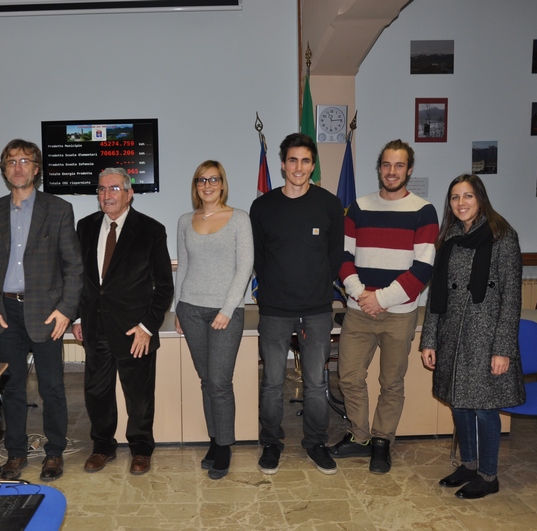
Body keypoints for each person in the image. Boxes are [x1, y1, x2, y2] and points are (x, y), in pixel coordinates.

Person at [0, 139, 83, 482]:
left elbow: (74, 267)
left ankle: (54, 453)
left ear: (37, 168)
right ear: (4, 170)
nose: (18, 167)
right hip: (5, 314)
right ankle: (16, 453)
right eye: (11, 162)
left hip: (47, 314)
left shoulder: (59, 208)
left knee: (52, 387)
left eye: (25, 161)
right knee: (12, 388)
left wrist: (66, 310)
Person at [333, 139, 439, 474]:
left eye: (399, 165)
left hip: (399, 315)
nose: (391, 172)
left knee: (391, 382)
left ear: (409, 169)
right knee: (348, 376)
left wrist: (380, 298)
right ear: (379, 168)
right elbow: (344, 257)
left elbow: (423, 268)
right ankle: (360, 435)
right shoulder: (359, 208)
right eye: (386, 165)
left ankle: (382, 440)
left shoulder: (424, 211)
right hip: (358, 310)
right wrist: (361, 293)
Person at [421, 174, 524, 499]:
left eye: (467, 196)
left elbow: (511, 297)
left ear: (480, 198)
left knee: (483, 408)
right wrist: (429, 340)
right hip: (452, 334)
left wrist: (503, 349)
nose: (461, 203)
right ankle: (468, 465)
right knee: (460, 405)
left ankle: (488, 475)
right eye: (455, 197)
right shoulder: (449, 237)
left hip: (486, 336)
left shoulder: (502, 236)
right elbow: (437, 293)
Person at [249, 133, 345, 475]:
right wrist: (271, 289)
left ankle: (315, 443)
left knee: (317, 384)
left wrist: (319, 286)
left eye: (305, 160)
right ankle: (271, 443)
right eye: (292, 160)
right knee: (273, 382)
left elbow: (335, 254)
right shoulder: (263, 206)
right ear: (282, 164)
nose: (298, 167)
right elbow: (258, 257)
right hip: (274, 310)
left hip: (317, 310)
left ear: (313, 165)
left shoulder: (330, 204)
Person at [73, 168, 173, 476]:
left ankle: (141, 449)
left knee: (139, 396)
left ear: (129, 193)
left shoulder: (151, 230)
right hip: (95, 327)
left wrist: (147, 327)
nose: (107, 195)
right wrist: (77, 316)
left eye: (114, 188)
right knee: (97, 392)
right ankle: (102, 447)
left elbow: (164, 287)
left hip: (134, 331)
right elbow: (80, 279)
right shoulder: (85, 226)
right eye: (101, 189)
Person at [173, 160, 254, 480]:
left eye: (213, 179)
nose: (207, 185)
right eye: (201, 180)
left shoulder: (239, 219)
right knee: (207, 380)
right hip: (190, 310)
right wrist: (177, 308)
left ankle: (224, 446)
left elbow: (244, 267)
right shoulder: (184, 220)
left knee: (220, 383)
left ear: (223, 184)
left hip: (226, 312)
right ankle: (214, 439)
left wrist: (226, 310)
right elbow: (184, 268)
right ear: (195, 186)